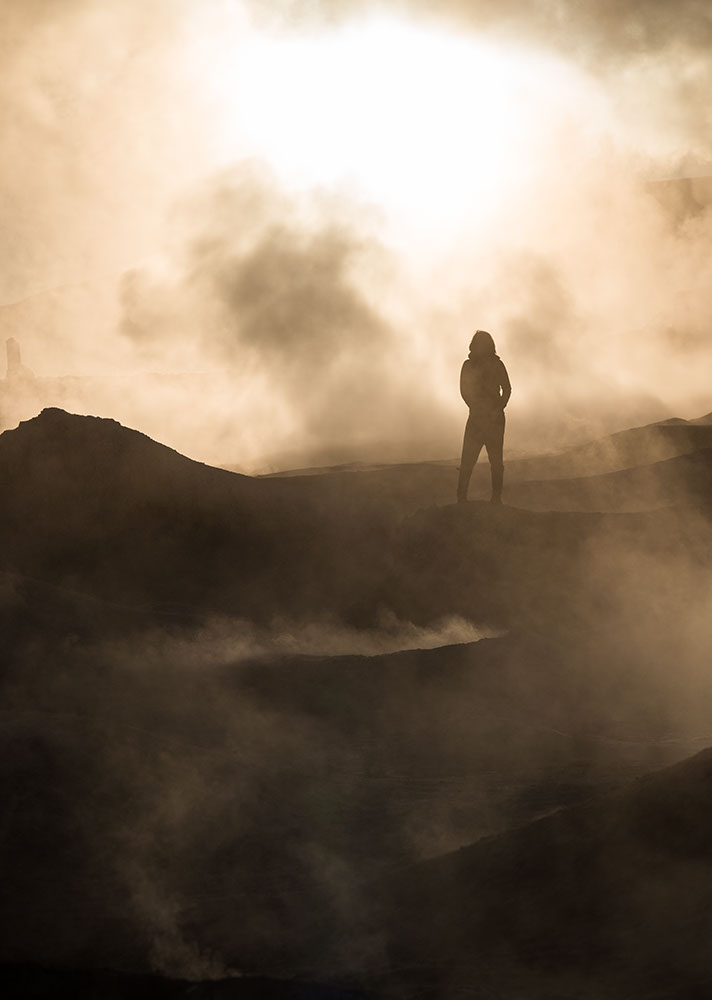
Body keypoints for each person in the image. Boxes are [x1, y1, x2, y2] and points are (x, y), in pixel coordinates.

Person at [456, 329, 511, 504]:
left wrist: (497, 408)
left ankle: (495, 499)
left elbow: (507, 389)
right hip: (480, 417)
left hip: (491, 418)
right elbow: (464, 391)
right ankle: (462, 498)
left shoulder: (496, 364)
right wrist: (478, 407)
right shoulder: (469, 365)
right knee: (469, 460)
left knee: (495, 461)